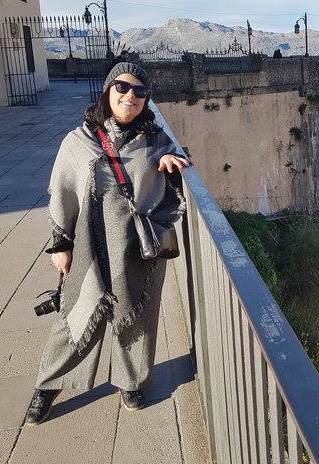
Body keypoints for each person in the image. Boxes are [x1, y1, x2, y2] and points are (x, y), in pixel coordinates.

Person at [25, 62, 190, 425]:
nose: (130, 96)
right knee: (76, 315)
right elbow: (63, 196)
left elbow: (175, 175)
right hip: (90, 245)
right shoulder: (78, 141)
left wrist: (166, 161)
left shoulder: (157, 139)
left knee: (138, 318)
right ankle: (47, 385)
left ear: (147, 99)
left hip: (137, 248)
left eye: (140, 91)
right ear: (107, 91)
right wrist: (60, 245)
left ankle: (132, 381)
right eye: (122, 88)